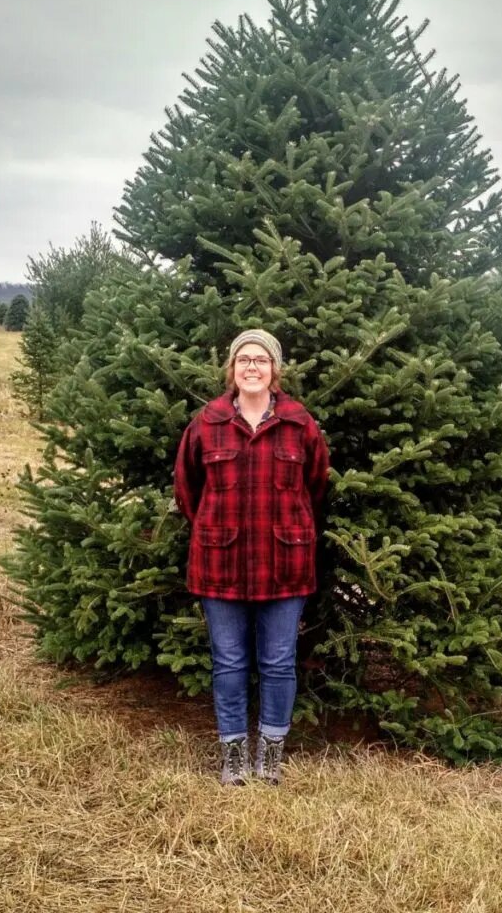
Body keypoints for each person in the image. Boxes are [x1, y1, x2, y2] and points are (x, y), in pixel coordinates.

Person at [173, 329, 330, 785]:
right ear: (232, 369)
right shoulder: (207, 422)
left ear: (274, 370)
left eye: (261, 360)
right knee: (229, 662)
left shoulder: (301, 424)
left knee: (279, 661)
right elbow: (188, 490)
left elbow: (315, 488)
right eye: (244, 359)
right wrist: (216, 528)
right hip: (220, 564)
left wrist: (291, 526)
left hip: (285, 565)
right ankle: (235, 756)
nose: (252, 367)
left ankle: (271, 754)